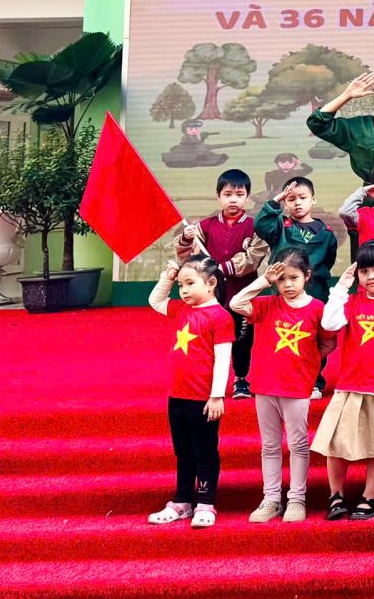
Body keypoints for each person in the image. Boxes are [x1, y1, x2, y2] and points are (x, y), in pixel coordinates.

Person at [314, 242, 374, 521]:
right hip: (350, 384)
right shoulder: (353, 301)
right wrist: (341, 289)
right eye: (364, 271)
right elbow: (329, 324)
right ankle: (335, 495)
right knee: (336, 444)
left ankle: (370, 496)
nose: (371, 276)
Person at [230, 249, 324, 523]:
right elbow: (236, 303)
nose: (288, 285)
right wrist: (264, 281)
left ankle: (297, 499)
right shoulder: (267, 304)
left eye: (294, 278)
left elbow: (328, 342)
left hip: (296, 387)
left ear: (307, 276)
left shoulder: (317, 308)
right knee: (269, 446)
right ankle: (271, 499)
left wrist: (308, 365)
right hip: (264, 385)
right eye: (281, 279)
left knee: (298, 444)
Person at [147, 257, 233, 528]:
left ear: (211, 283)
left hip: (204, 399)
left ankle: (206, 502)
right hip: (178, 396)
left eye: (190, 283)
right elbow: (155, 301)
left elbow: (223, 359)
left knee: (205, 450)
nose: (183, 290)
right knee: (183, 451)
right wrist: (168, 276)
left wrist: (217, 395)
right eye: (181, 285)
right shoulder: (180, 309)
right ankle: (182, 500)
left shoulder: (220, 317)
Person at [174, 168, 258, 400]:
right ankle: (206, 380)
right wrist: (186, 238)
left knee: (242, 340)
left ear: (247, 197)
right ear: (218, 196)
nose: (233, 200)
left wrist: (222, 268)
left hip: (242, 294)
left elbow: (254, 258)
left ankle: (241, 379)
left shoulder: (254, 227)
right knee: (208, 338)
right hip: (210, 296)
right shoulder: (206, 226)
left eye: (239, 194)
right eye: (227, 194)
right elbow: (187, 257)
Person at [255, 176, 339, 396]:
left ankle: (314, 382)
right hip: (283, 296)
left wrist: (312, 280)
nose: (297, 203)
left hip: (315, 293)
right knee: (280, 338)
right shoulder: (280, 227)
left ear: (313, 199)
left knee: (313, 338)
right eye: (291, 199)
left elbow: (328, 260)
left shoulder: (327, 233)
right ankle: (279, 379)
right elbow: (261, 225)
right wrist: (275, 201)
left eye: (302, 197)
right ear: (285, 203)